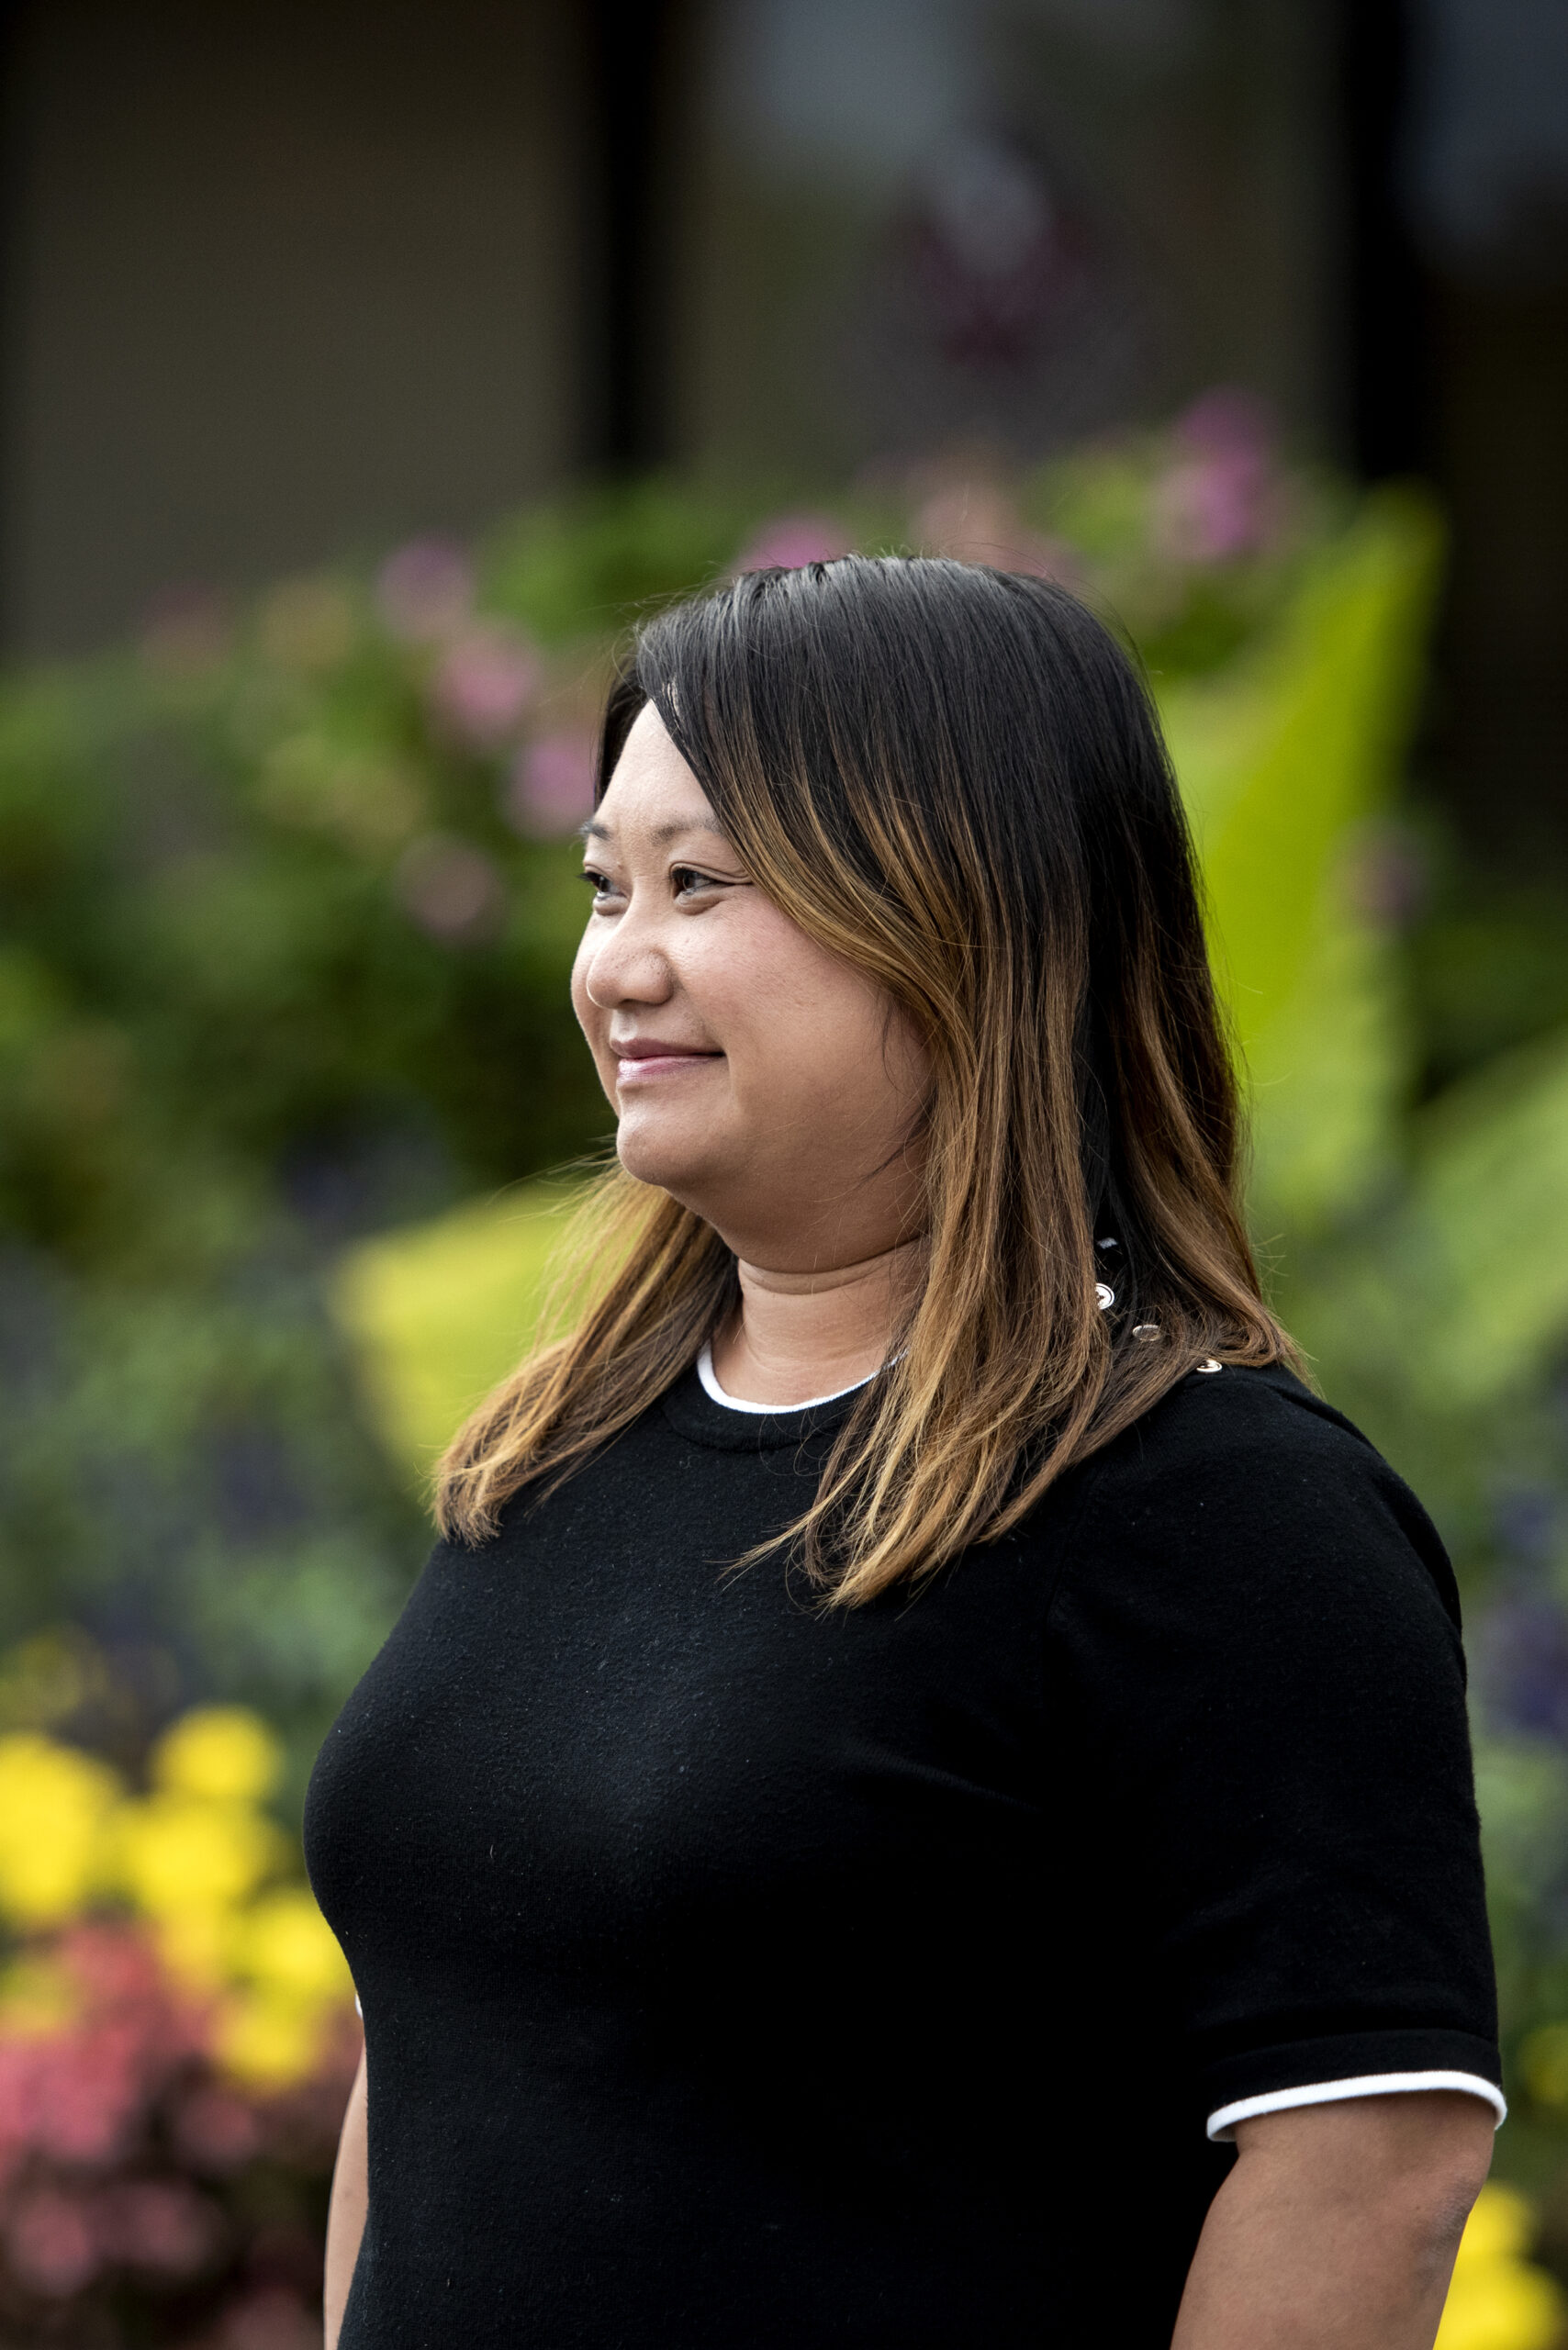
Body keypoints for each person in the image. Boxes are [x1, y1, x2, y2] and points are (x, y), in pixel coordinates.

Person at [305, 556, 1501, 2349]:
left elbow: (1366, 2158)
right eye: (601, 886)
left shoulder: (1211, 1508)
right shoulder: (558, 1453)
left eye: (698, 885)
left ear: (951, 915)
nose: (614, 963)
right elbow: (437, 2050)